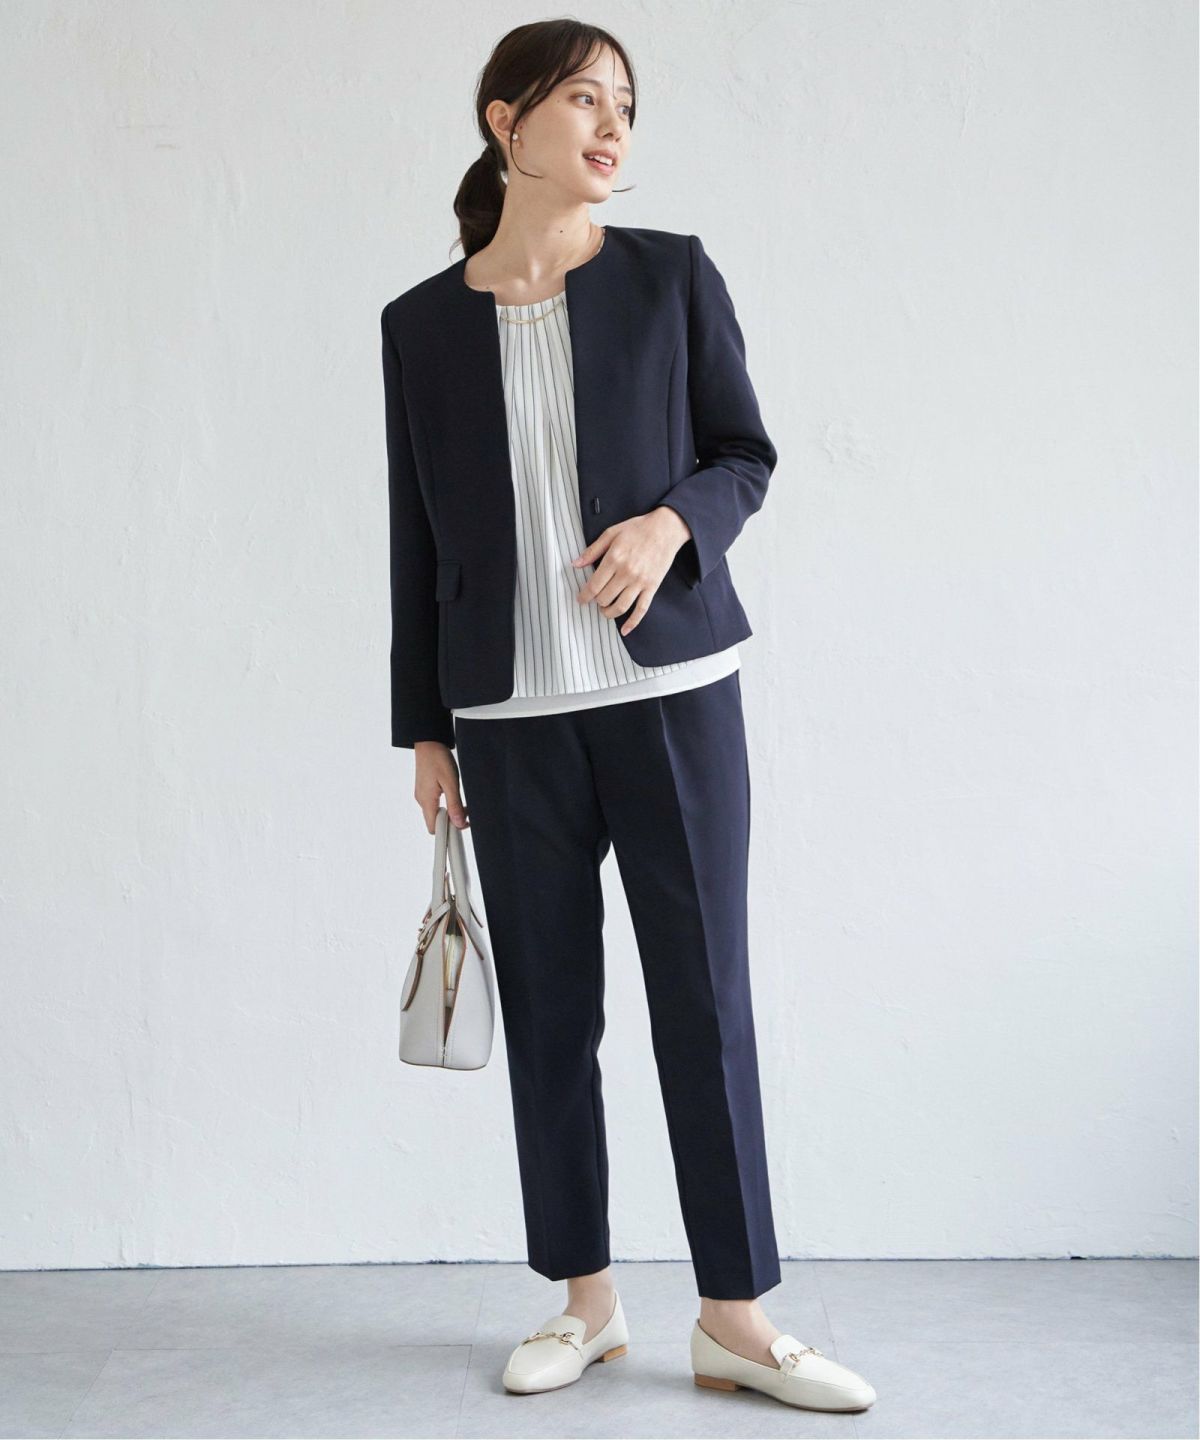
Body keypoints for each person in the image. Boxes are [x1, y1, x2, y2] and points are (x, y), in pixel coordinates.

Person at [380, 18, 876, 1414]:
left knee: (704, 1002)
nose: (613, 127)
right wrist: (427, 727)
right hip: (508, 717)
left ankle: (735, 1317)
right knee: (551, 1016)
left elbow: (744, 454)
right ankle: (584, 1304)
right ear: (505, 120)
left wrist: (670, 526)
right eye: (584, 100)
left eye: (626, 106)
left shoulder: (670, 275)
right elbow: (415, 535)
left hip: (672, 700)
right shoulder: (419, 325)